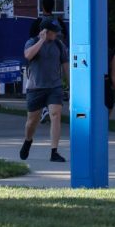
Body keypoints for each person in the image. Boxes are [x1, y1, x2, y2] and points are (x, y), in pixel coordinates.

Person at [19, 18, 69, 162]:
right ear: (45, 32)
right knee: (32, 121)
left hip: (54, 86)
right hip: (36, 87)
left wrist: (70, 85)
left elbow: (65, 65)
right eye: (54, 32)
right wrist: (41, 41)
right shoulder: (32, 42)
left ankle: (54, 151)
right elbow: (28, 55)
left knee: (55, 114)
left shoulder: (59, 45)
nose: (57, 35)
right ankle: (28, 140)